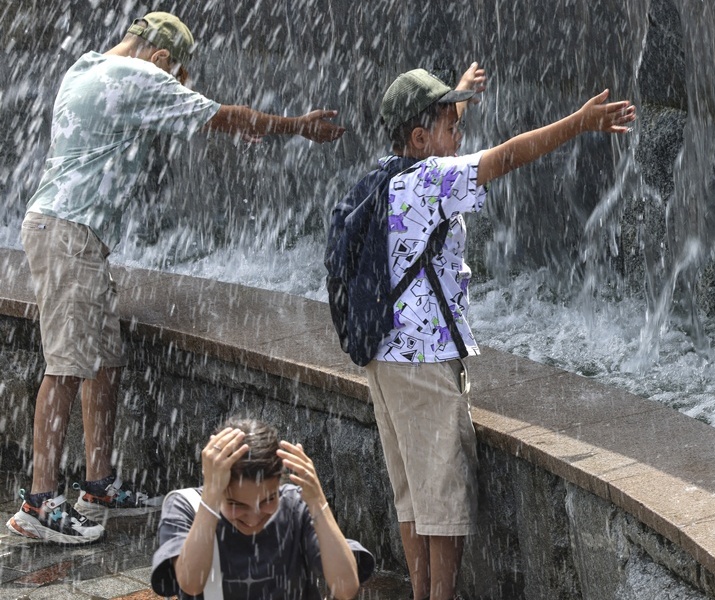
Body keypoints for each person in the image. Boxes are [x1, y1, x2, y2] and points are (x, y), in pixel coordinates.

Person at [7, 11, 345, 545]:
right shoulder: (142, 74)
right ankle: (39, 501)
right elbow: (222, 115)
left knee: (105, 361)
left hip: (72, 232)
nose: (173, 84)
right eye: (174, 74)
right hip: (68, 233)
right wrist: (296, 126)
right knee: (66, 366)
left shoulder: (87, 66)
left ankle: (98, 487)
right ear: (162, 57)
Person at [361, 65, 635, 600]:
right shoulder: (433, 180)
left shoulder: (388, 175)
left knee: (412, 496)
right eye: (451, 127)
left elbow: (440, 136)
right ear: (420, 138)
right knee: (443, 500)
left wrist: (457, 94)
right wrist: (578, 123)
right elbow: (507, 156)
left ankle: (420, 593)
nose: (460, 135)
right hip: (423, 362)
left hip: (385, 355)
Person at [150, 418, 374, 599]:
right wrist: (210, 496)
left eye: (268, 500)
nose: (253, 518)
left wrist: (318, 503)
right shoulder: (186, 506)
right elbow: (190, 584)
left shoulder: (296, 506)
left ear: (279, 483)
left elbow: (345, 588)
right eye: (237, 504)